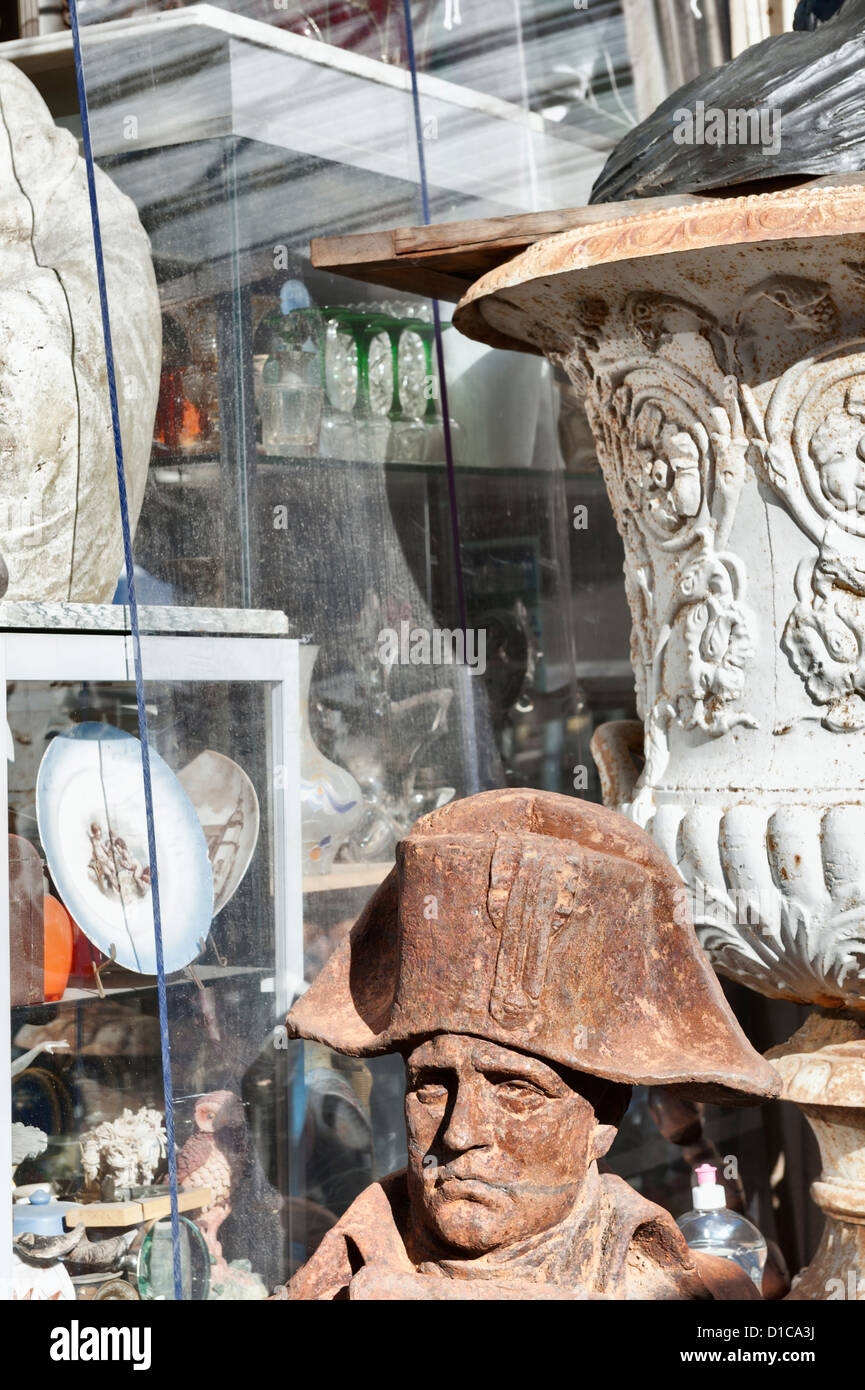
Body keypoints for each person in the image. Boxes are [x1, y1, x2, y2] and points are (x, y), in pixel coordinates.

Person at [277, 789, 778, 1300]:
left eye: (517, 1091)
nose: (460, 1134)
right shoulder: (331, 1285)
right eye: (432, 1087)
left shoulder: (701, 1292)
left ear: (603, 1123)